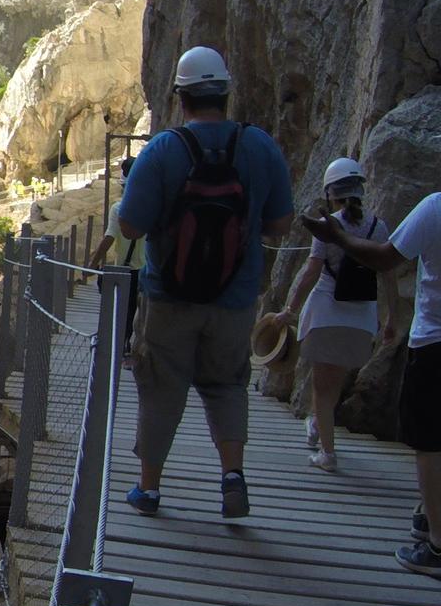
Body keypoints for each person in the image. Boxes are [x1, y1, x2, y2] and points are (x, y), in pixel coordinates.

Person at [115, 46, 294, 519]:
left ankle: (148, 489)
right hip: (235, 298)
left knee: (161, 386)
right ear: (226, 94)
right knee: (228, 384)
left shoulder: (163, 150)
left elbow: (131, 227)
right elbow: (280, 225)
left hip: (168, 298)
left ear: (180, 97)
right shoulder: (260, 146)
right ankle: (232, 475)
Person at [302, 190, 441, 577]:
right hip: (403, 332)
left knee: (430, 443)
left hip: (435, 341)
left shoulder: (435, 207)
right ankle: (428, 514)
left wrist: (338, 237)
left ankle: (436, 543)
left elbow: (385, 257)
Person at [264, 158, 394, 472]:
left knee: (322, 387)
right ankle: (317, 426)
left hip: (326, 311)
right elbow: (387, 274)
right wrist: (392, 319)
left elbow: (312, 271)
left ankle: (327, 453)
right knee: (333, 382)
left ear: (329, 192)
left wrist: (289, 309)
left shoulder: (328, 224)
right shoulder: (378, 227)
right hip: (360, 316)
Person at [88, 156, 145, 356]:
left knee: (125, 312)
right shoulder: (154, 207)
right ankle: (139, 349)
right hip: (148, 270)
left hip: (126, 269)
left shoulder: (119, 209)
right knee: (145, 312)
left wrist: (93, 264)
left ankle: (123, 346)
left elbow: (109, 238)